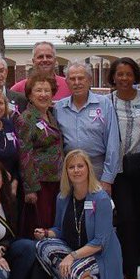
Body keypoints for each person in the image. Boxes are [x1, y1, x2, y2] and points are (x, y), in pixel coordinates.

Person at [33, 149, 124, 279]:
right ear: (66, 172)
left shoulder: (101, 198)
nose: (76, 170)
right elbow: (60, 230)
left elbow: (100, 242)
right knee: (42, 246)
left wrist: (72, 256)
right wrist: (47, 233)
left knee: (74, 274)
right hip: (75, 251)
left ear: (88, 168)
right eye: (71, 167)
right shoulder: (62, 197)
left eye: (80, 166)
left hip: (100, 255)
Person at [107, 57, 140, 279]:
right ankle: (128, 274)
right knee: (126, 219)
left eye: (128, 74)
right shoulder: (107, 102)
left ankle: (136, 269)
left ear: (135, 76)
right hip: (120, 169)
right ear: (113, 77)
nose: (124, 78)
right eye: (119, 74)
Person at [53, 62, 119, 190]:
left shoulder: (104, 104)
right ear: (67, 82)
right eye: (72, 79)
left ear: (89, 80)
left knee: (96, 208)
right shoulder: (59, 108)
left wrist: (107, 178)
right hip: (70, 171)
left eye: (81, 78)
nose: (77, 82)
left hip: (97, 169)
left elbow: (113, 143)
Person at [15, 73, 64, 233]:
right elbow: (25, 154)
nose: (43, 94)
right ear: (29, 95)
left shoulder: (51, 115)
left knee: (53, 224)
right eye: (38, 90)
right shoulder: (27, 118)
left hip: (55, 181)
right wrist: (30, 188)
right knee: (40, 226)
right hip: (39, 184)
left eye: (47, 90)